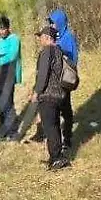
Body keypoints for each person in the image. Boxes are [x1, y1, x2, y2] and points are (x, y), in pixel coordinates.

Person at [32, 9, 79, 155]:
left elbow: (72, 61)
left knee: (66, 111)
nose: (51, 25)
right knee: (54, 113)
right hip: (55, 82)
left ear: (60, 22)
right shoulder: (56, 39)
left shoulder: (67, 38)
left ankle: (67, 140)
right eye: (50, 22)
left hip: (64, 81)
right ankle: (50, 138)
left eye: (52, 22)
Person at [32, 25, 70, 170]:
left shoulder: (47, 51)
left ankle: (56, 158)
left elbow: (43, 75)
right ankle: (55, 156)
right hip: (60, 94)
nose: (39, 39)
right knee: (54, 126)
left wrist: (36, 92)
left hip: (48, 95)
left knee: (50, 128)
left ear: (48, 38)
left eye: (41, 37)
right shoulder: (60, 52)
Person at [0, 15, 22, 142]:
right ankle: (4, 128)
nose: (1, 31)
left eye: (3, 29)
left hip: (9, 75)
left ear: (8, 28)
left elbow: (12, 56)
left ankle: (13, 132)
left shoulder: (14, 39)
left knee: (7, 103)